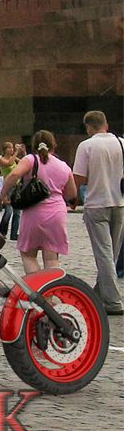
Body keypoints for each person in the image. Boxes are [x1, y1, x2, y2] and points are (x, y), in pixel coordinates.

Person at [73, 110, 124, 317]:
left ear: (88, 127)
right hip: (120, 203)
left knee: (104, 254)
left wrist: (72, 198)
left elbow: (79, 177)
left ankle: (113, 302)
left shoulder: (87, 146)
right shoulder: (121, 143)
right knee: (111, 253)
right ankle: (98, 294)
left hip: (96, 204)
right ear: (106, 124)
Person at [3, 130, 75, 273]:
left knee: (29, 255)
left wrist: (4, 193)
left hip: (34, 213)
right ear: (54, 145)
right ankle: (49, 293)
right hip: (56, 213)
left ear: (34, 145)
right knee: (51, 259)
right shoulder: (63, 166)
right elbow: (72, 194)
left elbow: (14, 174)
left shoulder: (30, 160)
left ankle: (36, 291)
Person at [0, 142, 22, 241]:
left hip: (17, 187)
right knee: (8, 211)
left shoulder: (14, 158)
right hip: (9, 187)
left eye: (12, 147)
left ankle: (14, 234)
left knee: (17, 212)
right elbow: (9, 163)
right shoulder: (2, 159)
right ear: (4, 149)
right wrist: (16, 152)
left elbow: (23, 162)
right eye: (9, 148)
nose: (11, 149)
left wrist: (22, 151)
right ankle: (2, 232)